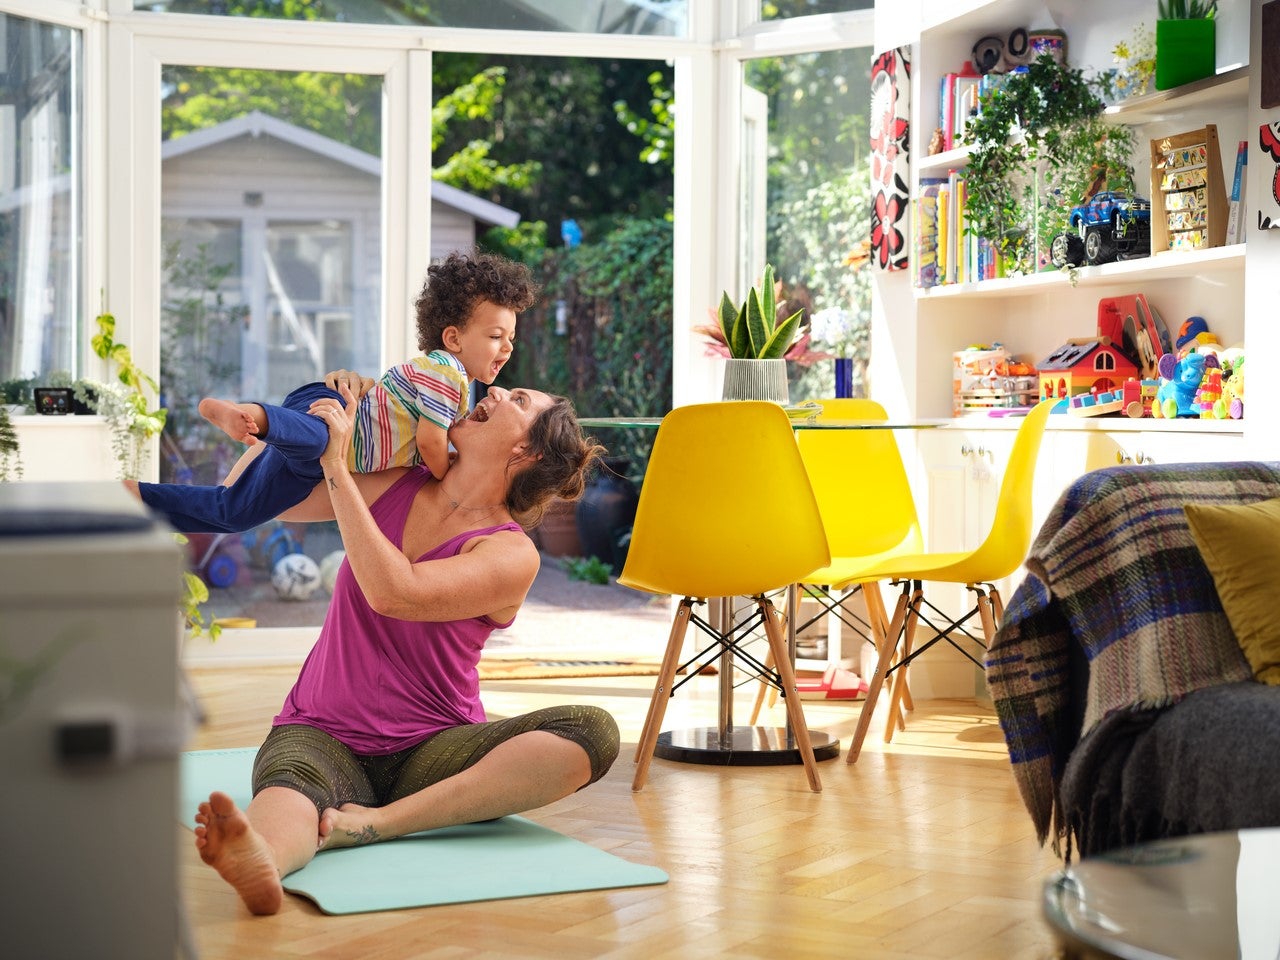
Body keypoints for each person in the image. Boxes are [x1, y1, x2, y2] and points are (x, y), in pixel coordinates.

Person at [185, 374, 618, 916]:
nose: (497, 392)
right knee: (289, 788)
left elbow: (395, 593)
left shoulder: (511, 554)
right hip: (322, 729)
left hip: (434, 748)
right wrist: (305, 423)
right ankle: (264, 862)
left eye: (520, 400)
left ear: (525, 450)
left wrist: (338, 467)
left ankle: (378, 825)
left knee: (591, 731)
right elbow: (253, 497)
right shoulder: (396, 481)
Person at [136, 248, 536, 533]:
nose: (507, 348)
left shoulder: (452, 388)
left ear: (526, 451)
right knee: (320, 437)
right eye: (496, 336)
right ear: (452, 338)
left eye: (512, 339)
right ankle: (250, 415)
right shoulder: (448, 377)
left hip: (320, 451)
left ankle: (137, 498)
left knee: (234, 513)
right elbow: (432, 440)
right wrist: (444, 470)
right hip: (333, 416)